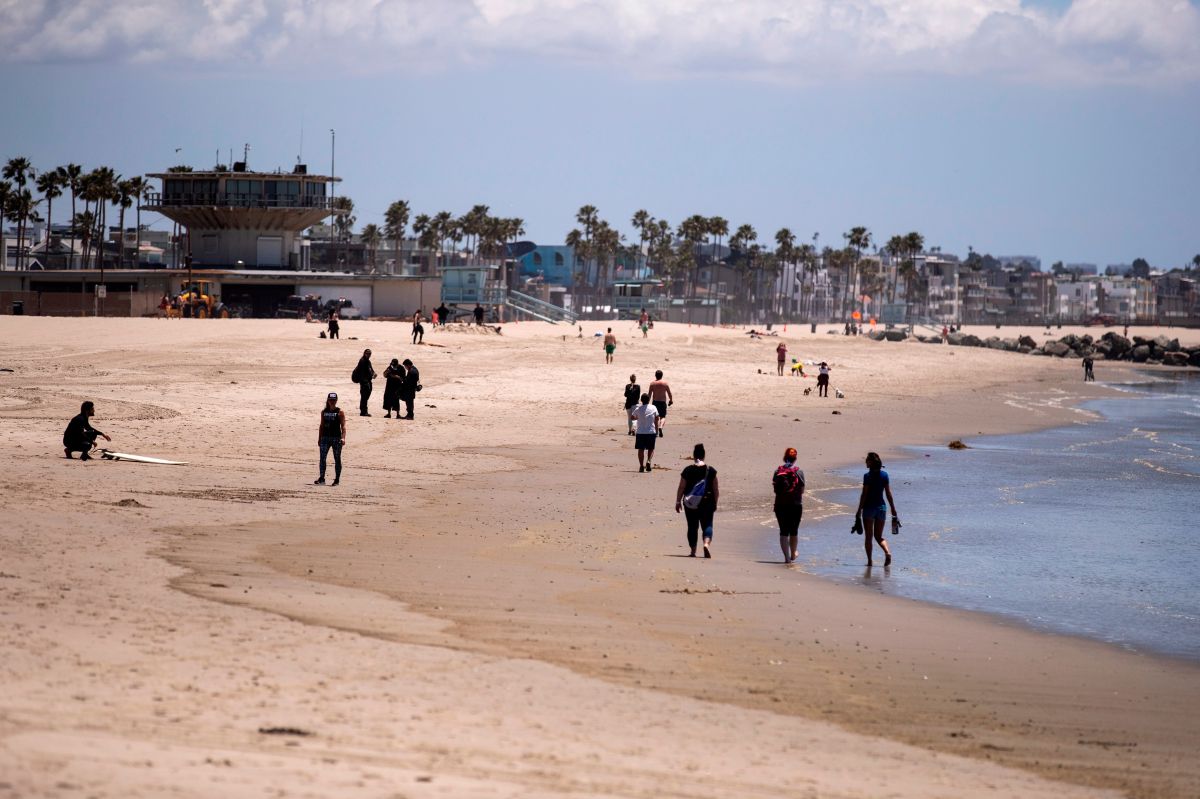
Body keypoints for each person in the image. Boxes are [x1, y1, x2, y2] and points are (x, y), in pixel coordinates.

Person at [675, 443, 718, 558]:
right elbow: (715, 489)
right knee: (707, 525)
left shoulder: (688, 470)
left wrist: (678, 501)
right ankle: (706, 544)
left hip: (690, 503)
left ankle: (693, 551)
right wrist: (715, 503)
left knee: (692, 526)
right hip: (707, 501)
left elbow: (681, 487)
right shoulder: (711, 470)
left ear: (694, 456)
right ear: (704, 456)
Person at [855, 451, 897, 567]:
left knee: (869, 537)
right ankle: (887, 552)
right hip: (882, 508)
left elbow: (864, 495)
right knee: (878, 536)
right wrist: (893, 508)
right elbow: (888, 493)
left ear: (871, 463)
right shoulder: (884, 475)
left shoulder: (867, 476)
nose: (865, 462)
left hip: (869, 508)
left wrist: (859, 510)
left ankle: (869, 562)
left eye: (867, 460)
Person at [772, 448, 805, 563]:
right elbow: (802, 491)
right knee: (794, 531)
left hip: (780, 505)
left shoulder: (778, 471)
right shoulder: (799, 472)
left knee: (783, 531)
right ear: (795, 458)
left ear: (784, 457)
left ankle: (786, 558)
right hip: (795, 505)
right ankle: (793, 554)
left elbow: (775, 489)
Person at [315, 392, 346, 486]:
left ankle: (337, 479)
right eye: (330, 400)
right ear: (328, 400)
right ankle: (322, 478)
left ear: (336, 401)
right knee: (322, 458)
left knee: (337, 459)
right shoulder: (324, 412)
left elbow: (343, 427)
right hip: (325, 438)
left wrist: (343, 438)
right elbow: (321, 426)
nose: (332, 402)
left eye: (333, 400)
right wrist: (319, 438)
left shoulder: (340, 412)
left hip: (336, 438)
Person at [632, 392, 658, 472]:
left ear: (641, 400)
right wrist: (657, 430)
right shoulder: (653, 407)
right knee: (651, 448)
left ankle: (641, 466)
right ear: (649, 400)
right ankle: (649, 461)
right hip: (650, 431)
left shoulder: (638, 409)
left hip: (640, 432)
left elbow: (632, 417)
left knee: (641, 449)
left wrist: (638, 418)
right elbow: (657, 418)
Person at [648, 370, 673, 437]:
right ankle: (661, 427)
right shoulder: (665, 383)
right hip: (662, 402)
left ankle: (656, 433)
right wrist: (671, 400)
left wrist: (647, 403)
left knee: (656, 418)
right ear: (662, 375)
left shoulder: (652, 384)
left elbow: (649, 395)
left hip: (655, 402)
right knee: (663, 417)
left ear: (655, 375)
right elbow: (669, 393)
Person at [352, 349, 376, 417]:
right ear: (364, 353)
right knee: (364, 396)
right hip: (364, 381)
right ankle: (363, 412)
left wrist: (373, 374)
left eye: (369, 354)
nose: (368, 355)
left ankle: (364, 410)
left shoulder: (368, 361)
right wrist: (365, 382)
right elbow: (362, 372)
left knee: (366, 395)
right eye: (367, 353)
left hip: (368, 380)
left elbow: (371, 369)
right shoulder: (362, 361)